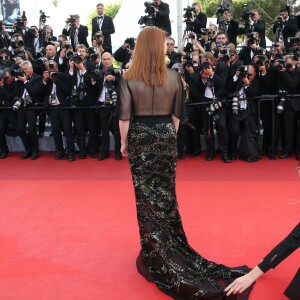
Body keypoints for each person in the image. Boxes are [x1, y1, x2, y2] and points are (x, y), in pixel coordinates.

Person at [118, 26, 254, 299]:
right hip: (166, 138)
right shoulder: (174, 77)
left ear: (140, 48)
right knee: (166, 195)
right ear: (160, 48)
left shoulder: (128, 78)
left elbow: (124, 117)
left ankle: (155, 254)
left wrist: (124, 144)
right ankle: (167, 246)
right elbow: (178, 117)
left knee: (146, 198)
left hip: (140, 138)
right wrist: (167, 137)